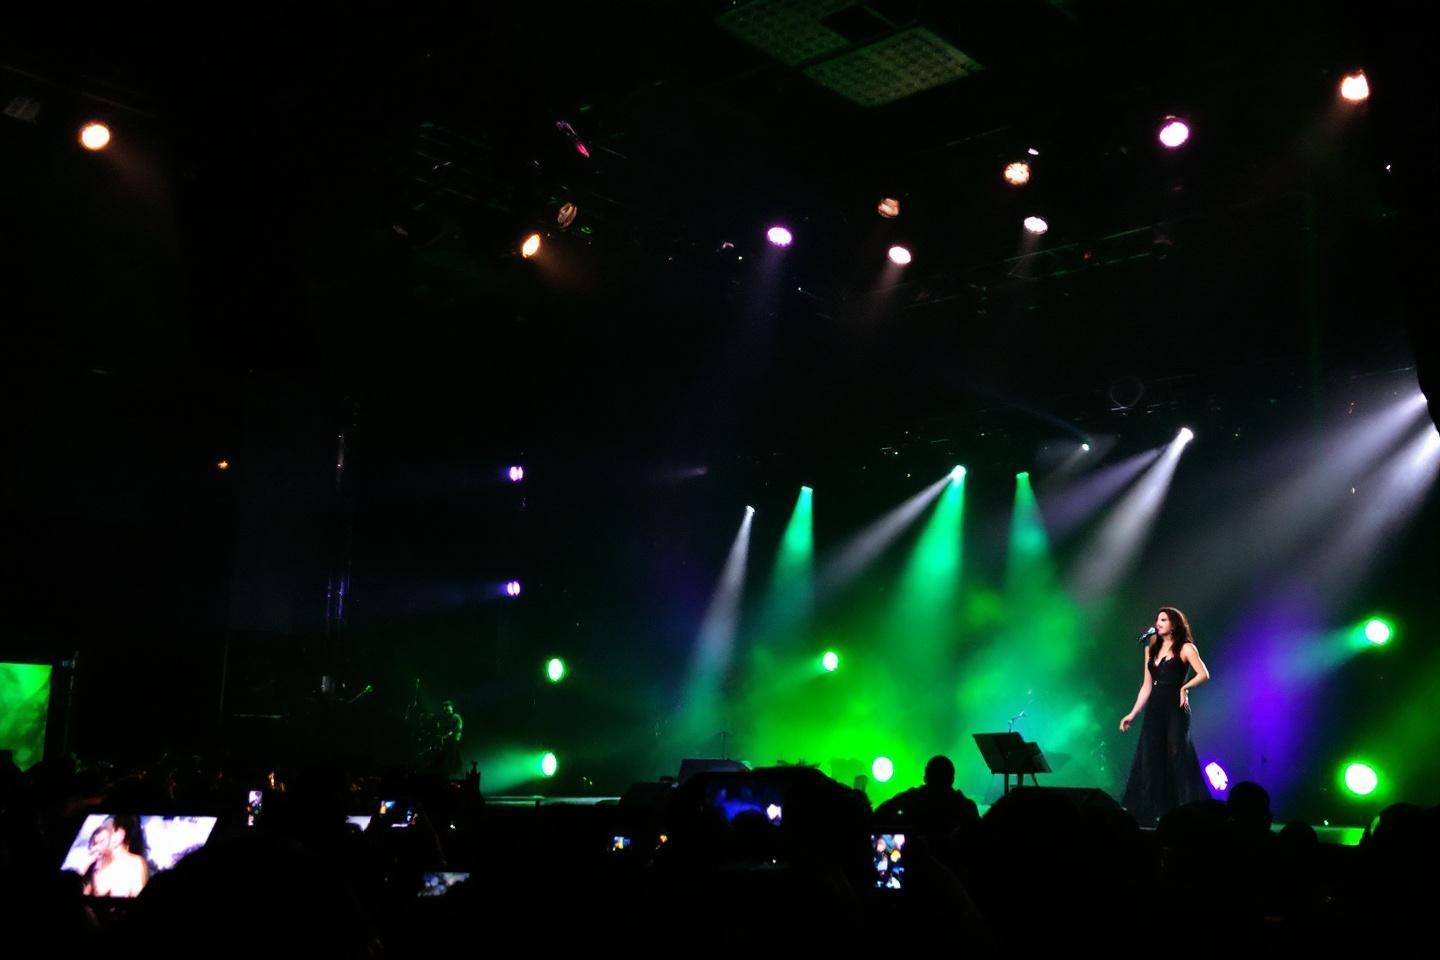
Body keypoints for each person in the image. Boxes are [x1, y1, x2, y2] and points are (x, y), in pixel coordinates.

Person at [1119, 607, 1211, 825]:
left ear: (1174, 624)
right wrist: (1132, 713)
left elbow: (1204, 674)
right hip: (1155, 709)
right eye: (1157, 620)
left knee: (1177, 754)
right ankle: (1151, 810)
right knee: (1151, 756)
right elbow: (1146, 686)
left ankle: (1187, 810)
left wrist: (1185, 688)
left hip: (1175, 709)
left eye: (1163, 620)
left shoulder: (1186, 647)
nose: (1158, 623)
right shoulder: (1151, 647)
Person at [873, 755, 980, 836]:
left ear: (925, 778)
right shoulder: (966, 806)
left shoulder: (912, 797)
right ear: (952, 779)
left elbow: (878, 815)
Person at [81, 816, 150, 897]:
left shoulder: (134, 864)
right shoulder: (96, 862)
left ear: (119, 835)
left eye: (107, 829)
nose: (98, 837)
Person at [437, 700, 463, 776]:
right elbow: (441, 729)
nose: (445, 709)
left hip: (454, 741)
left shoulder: (456, 717)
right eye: (444, 707)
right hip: (446, 741)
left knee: (453, 757)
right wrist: (442, 737)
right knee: (446, 758)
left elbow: (458, 729)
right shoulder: (443, 718)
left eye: (447, 706)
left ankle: (453, 773)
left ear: (451, 707)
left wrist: (449, 735)